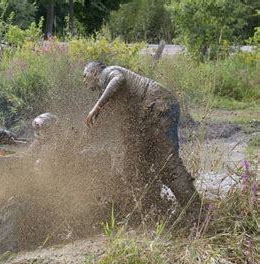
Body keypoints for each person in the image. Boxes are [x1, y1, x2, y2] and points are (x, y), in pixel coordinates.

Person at [82, 62, 202, 221]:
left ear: (94, 72)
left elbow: (118, 79)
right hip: (150, 114)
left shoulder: (109, 72)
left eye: (85, 76)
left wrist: (97, 106)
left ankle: (198, 216)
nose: (84, 81)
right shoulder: (107, 92)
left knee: (168, 164)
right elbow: (104, 124)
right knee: (136, 164)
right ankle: (154, 212)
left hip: (158, 104)